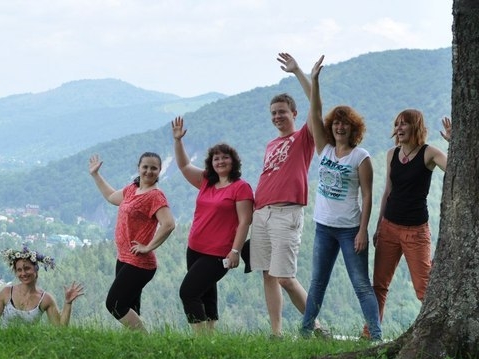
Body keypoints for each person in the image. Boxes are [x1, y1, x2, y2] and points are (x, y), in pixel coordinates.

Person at [299, 59, 382, 340]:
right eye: (336, 122)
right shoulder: (324, 149)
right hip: (323, 227)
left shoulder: (361, 157)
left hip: (350, 230)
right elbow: (315, 112)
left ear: (353, 128)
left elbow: (367, 195)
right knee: (317, 283)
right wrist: (313, 79)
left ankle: (376, 335)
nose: (339, 127)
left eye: (345, 123)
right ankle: (305, 332)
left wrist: (362, 231)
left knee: (361, 285)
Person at [250, 53, 321, 337]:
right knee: (268, 274)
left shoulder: (304, 137)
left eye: (282, 111)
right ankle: (276, 332)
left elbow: (316, 105)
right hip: (262, 213)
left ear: (294, 113)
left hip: (286, 212)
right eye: (273, 113)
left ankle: (317, 327)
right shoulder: (271, 144)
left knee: (285, 277)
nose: (277, 116)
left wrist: (299, 72)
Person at [171, 116, 254, 334]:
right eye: (216, 158)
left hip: (218, 253)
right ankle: (210, 338)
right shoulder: (207, 181)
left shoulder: (241, 188)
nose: (220, 161)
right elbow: (184, 165)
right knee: (206, 292)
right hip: (195, 248)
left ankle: (199, 340)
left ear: (233, 162)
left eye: (225, 158)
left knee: (188, 293)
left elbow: (245, 221)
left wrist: (235, 251)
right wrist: (178, 140)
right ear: (211, 163)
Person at [371, 111, 450, 325]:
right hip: (389, 227)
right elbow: (388, 191)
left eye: (404, 124)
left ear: (416, 127)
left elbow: (454, 168)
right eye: (397, 124)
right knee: (379, 285)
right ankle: (371, 333)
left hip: (416, 231)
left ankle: (435, 329)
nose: (399, 128)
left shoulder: (428, 153)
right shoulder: (392, 154)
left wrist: (453, 143)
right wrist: (378, 226)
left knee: (424, 288)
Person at [88, 152, 176, 331]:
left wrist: (148, 247)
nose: (149, 171)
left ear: (160, 170)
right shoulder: (132, 189)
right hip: (124, 257)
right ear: (139, 168)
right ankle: (136, 344)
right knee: (130, 307)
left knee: (115, 304)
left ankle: (145, 340)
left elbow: (168, 224)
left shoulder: (155, 196)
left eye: (154, 168)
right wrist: (95, 175)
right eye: (145, 167)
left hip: (140, 262)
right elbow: (111, 196)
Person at [0, 247, 85, 327]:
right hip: (2, 344)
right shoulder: (6, 293)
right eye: (19, 270)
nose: (23, 273)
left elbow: (60, 328)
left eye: (27, 268)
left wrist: (68, 303)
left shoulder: (45, 299)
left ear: (36, 269)